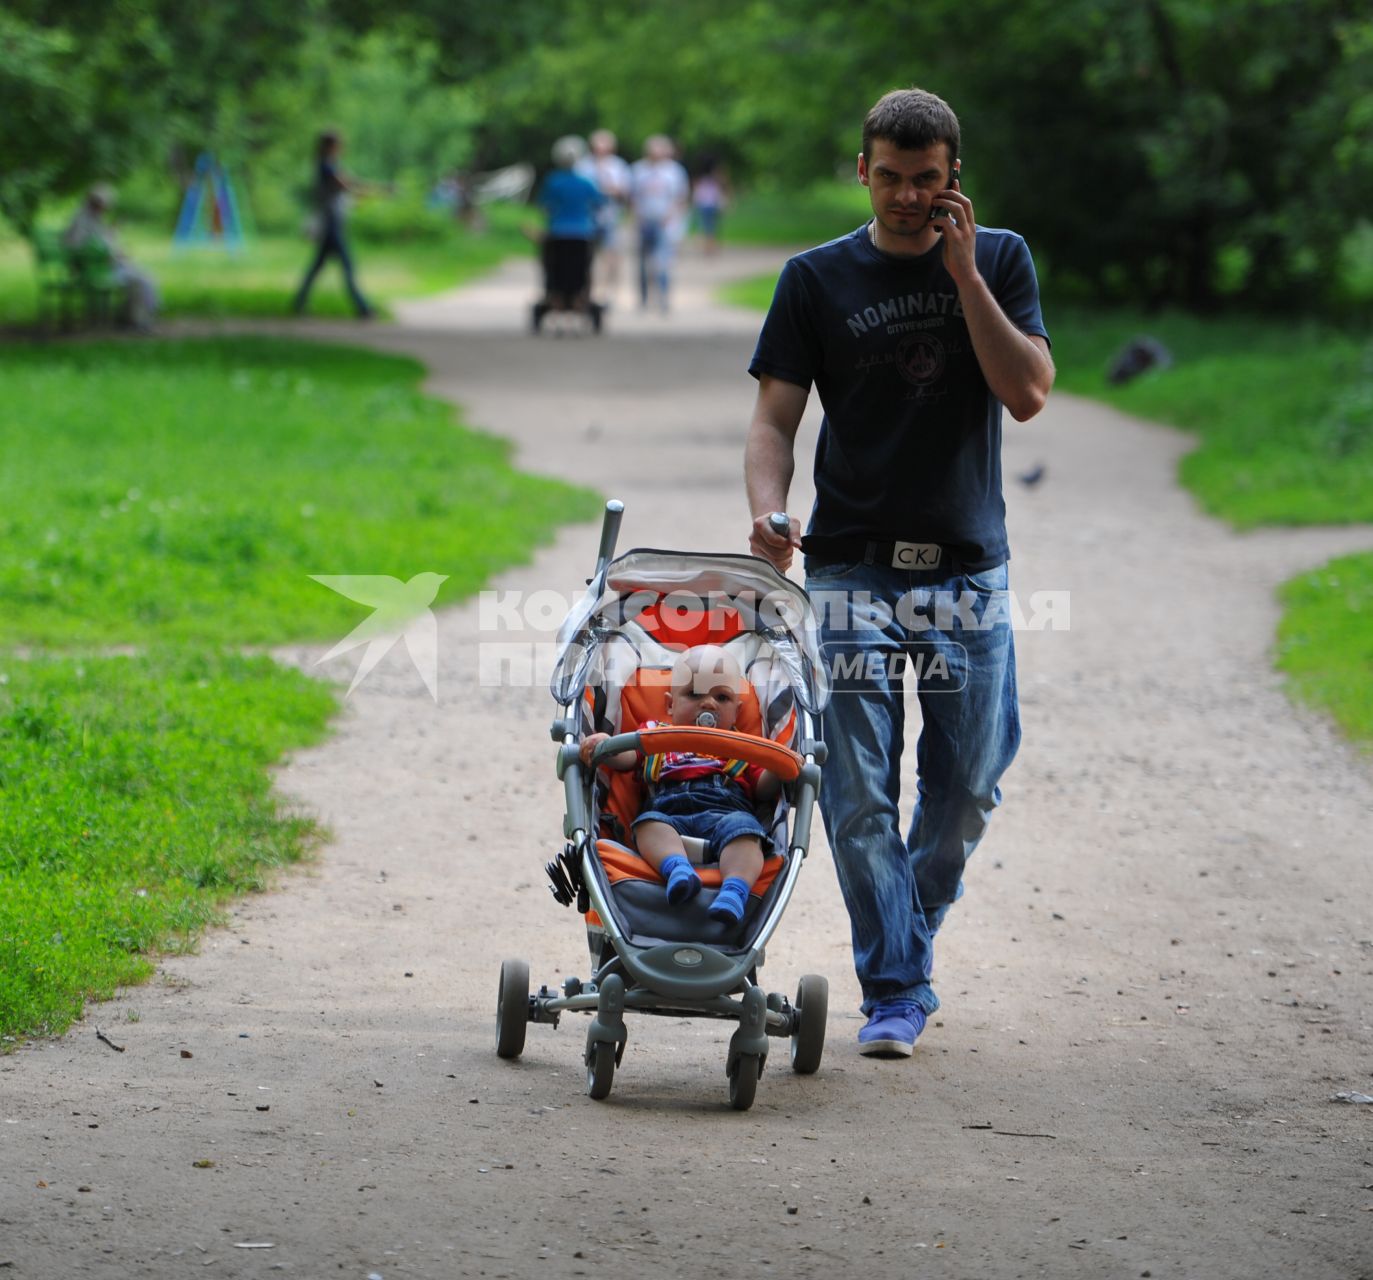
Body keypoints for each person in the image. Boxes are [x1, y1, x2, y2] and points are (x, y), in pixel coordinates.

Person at [743, 87, 1054, 1057]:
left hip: (966, 569)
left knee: (965, 787)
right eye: (889, 177)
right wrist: (766, 504)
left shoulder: (997, 259)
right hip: (849, 569)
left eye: (925, 180)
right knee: (857, 788)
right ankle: (895, 985)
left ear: (951, 177)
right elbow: (772, 420)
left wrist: (964, 277)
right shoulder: (813, 278)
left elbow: (1028, 392)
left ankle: (901, 934)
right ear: (861, 172)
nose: (906, 197)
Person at [579, 645, 782, 924]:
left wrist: (780, 767)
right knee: (647, 824)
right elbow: (626, 757)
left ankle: (734, 891)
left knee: (747, 835)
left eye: (721, 697)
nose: (708, 704)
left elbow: (763, 788)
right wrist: (604, 746)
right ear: (670, 705)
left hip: (727, 818)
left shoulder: (744, 745)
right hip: (669, 819)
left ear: (737, 711)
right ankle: (677, 870)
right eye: (694, 694)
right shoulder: (656, 734)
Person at [292, 130, 373, 319]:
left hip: (333, 223)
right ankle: (363, 308)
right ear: (331, 146)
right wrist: (370, 190)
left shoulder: (329, 166)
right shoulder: (326, 167)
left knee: (318, 266)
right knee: (347, 266)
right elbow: (347, 185)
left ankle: (300, 301)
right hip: (331, 224)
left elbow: (348, 185)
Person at [63, 186, 159, 331]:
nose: (105, 208)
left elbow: (103, 244)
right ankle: (137, 321)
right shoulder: (82, 221)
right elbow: (80, 247)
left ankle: (134, 318)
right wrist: (109, 253)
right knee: (141, 280)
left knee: (145, 277)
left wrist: (114, 244)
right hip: (96, 271)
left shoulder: (93, 220)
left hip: (107, 267)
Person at [535, 135, 605, 314]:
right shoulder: (585, 182)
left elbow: (543, 205)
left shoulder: (553, 181)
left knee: (555, 268)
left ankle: (556, 297)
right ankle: (579, 298)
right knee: (581, 270)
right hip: (582, 233)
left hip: (558, 232)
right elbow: (599, 202)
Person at [629, 135, 689, 312]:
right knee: (642, 263)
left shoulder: (675, 171)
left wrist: (671, 216)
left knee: (663, 262)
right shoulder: (638, 170)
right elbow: (632, 197)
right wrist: (636, 216)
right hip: (644, 222)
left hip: (665, 223)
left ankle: (664, 298)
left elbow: (681, 197)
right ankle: (644, 298)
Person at [576, 129, 631, 298]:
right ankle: (588, 288)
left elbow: (626, 191)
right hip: (588, 217)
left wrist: (613, 190)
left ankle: (609, 290)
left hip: (611, 216)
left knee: (611, 254)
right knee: (587, 254)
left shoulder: (618, 165)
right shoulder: (583, 166)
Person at [691, 157, 729, 256]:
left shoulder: (700, 178)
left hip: (704, 204)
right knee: (711, 226)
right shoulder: (715, 177)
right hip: (711, 204)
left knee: (706, 225)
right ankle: (709, 247)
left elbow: (697, 191)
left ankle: (708, 247)